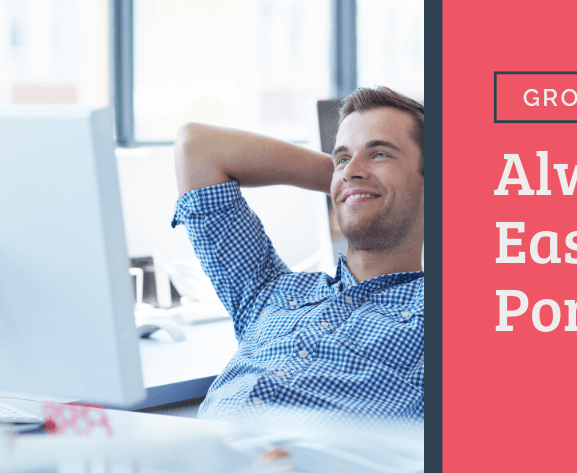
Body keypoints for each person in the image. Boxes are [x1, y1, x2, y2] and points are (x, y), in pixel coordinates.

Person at [171, 87, 425, 422]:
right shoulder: (268, 293)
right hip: (200, 462)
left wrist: (367, 186)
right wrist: (347, 184)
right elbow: (197, 147)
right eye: (343, 157)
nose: (351, 169)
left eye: (380, 154)